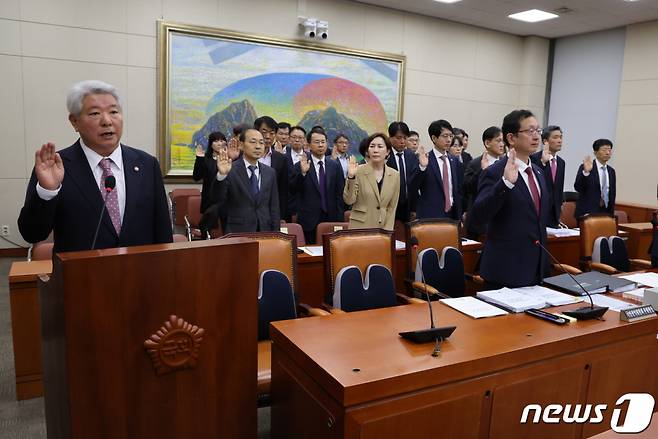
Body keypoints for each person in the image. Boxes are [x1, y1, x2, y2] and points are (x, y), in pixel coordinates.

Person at [18, 80, 172, 253]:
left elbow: (163, 231)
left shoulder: (146, 164)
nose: (107, 121)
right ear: (74, 121)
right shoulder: (54, 167)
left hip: (139, 275)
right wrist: (48, 192)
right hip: (81, 276)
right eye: (95, 114)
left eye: (114, 111)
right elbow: (31, 233)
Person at [471, 110, 550, 288]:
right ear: (512, 138)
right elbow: (478, 216)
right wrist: (505, 184)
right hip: (506, 270)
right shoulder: (495, 172)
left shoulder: (538, 172)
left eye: (538, 130)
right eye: (530, 131)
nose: (536, 136)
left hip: (536, 269)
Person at [211, 128, 279, 232]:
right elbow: (216, 198)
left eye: (261, 143)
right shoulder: (229, 169)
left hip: (265, 230)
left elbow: (274, 207)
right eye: (253, 142)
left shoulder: (270, 172)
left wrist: (276, 234)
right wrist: (222, 175)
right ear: (241, 145)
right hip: (238, 231)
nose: (258, 146)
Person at [291, 128, 345, 244]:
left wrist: (339, 220)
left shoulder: (334, 165)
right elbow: (293, 189)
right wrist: (303, 174)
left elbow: (339, 194)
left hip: (331, 218)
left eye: (323, 142)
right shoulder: (300, 165)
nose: (320, 145)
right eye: (316, 142)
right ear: (308, 145)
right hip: (308, 220)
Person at [343, 133, 399, 231]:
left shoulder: (394, 175)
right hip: (359, 227)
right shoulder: (359, 171)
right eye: (372, 146)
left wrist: (387, 231)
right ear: (368, 151)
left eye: (380, 146)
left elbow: (392, 207)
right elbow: (349, 200)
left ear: (387, 152)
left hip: (383, 228)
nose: (375, 150)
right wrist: (351, 177)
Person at [412, 120, 462, 220]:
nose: (449, 140)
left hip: (452, 215)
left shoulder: (454, 161)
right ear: (434, 138)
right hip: (430, 215)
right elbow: (413, 186)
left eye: (451, 136)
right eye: (445, 136)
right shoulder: (424, 159)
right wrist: (422, 167)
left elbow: (458, 189)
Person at [462, 126, 505, 239]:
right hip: (479, 224)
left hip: (500, 221)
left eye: (503, 141)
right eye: (498, 140)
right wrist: (483, 171)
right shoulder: (475, 163)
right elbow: (468, 188)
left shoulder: (507, 164)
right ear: (487, 143)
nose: (502, 144)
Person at [254, 116, 290, 222]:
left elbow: (283, 191)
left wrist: (281, 216)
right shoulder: (244, 157)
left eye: (272, 133)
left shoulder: (280, 159)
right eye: (264, 132)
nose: (268, 136)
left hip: (270, 213)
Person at [530, 125, 566, 228]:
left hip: (554, 214)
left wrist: (558, 212)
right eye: (555, 137)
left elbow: (558, 188)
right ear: (545, 141)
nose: (559, 140)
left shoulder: (561, 162)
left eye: (561, 137)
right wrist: (543, 163)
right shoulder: (534, 158)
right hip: (538, 210)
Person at [574, 139, 616, 219]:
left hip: (606, 212)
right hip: (587, 212)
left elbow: (612, 194)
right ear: (595, 153)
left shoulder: (611, 171)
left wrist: (611, 213)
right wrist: (586, 173)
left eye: (609, 150)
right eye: (604, 150)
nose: (607, 153)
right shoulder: (586, 167)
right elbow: (578, 187)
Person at [386, 121, 419, 222]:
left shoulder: (411, 156)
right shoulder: (385, 155)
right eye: (399, 138)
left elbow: (414, 184)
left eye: (405, 138)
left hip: (407, 207)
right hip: (388, 206)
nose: (402, 141)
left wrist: (414, 208)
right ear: (390, 138)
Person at [193, 131, 225, 214]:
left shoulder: (230, 159)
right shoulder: (205, 159)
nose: (219, 144)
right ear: (211, 144)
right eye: (216, 141)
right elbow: (196, 177)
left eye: (221, 141)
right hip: (209, 199)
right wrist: (199, 159)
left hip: (227, 199)